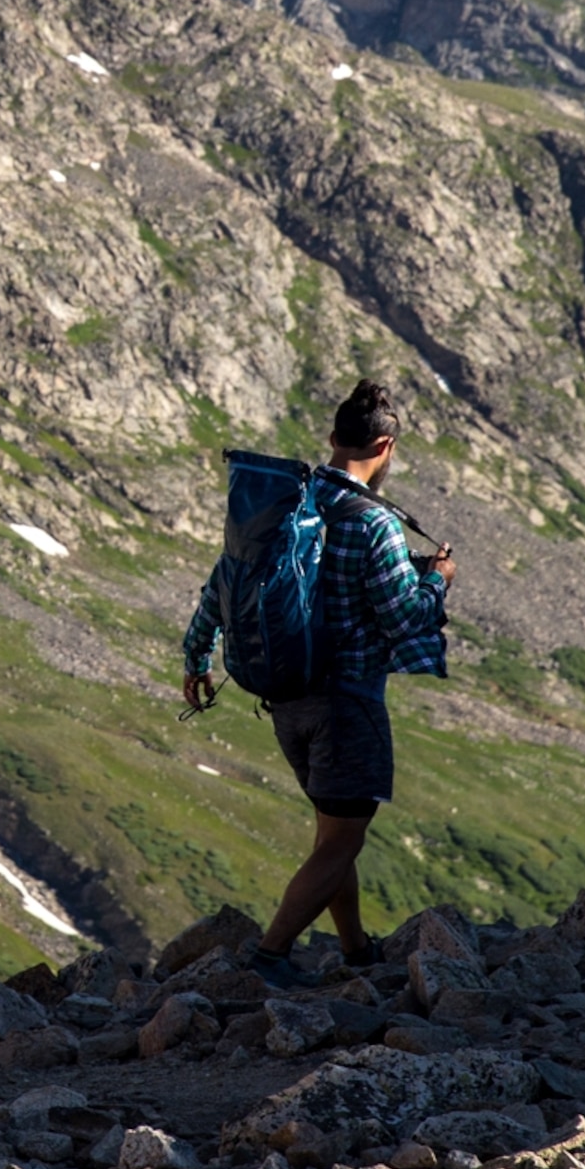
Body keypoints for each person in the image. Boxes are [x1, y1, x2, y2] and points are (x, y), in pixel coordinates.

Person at [182, 379, 453, 985]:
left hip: (285, 700)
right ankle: (270, 957)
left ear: (333, 439)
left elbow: (222, 583)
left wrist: (196, 654)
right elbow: (403, 615)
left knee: (335, 832)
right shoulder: (373, 523)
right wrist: (437, 579)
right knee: (341, 842)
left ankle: (357, 950)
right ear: (384, 446)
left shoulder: (285, 507)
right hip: (347, 702)